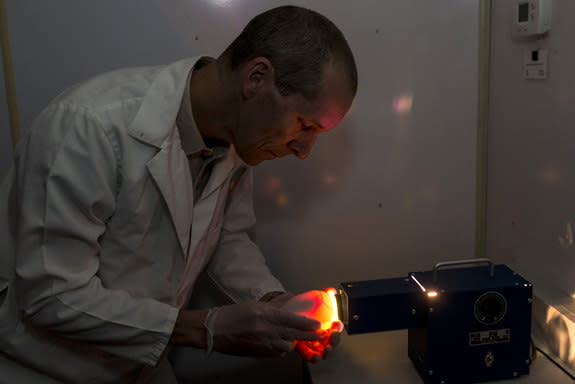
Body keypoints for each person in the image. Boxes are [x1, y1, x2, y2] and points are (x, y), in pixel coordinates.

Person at [0, 5, 357, 383]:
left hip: (141, 368)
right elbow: (52, 296)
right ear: (256, 78)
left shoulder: (238, 140)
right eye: (304, 124)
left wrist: (277, 307)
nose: (304, 150)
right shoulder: (88, 127)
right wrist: (206, 328)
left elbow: (225, 238)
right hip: (43, 368)